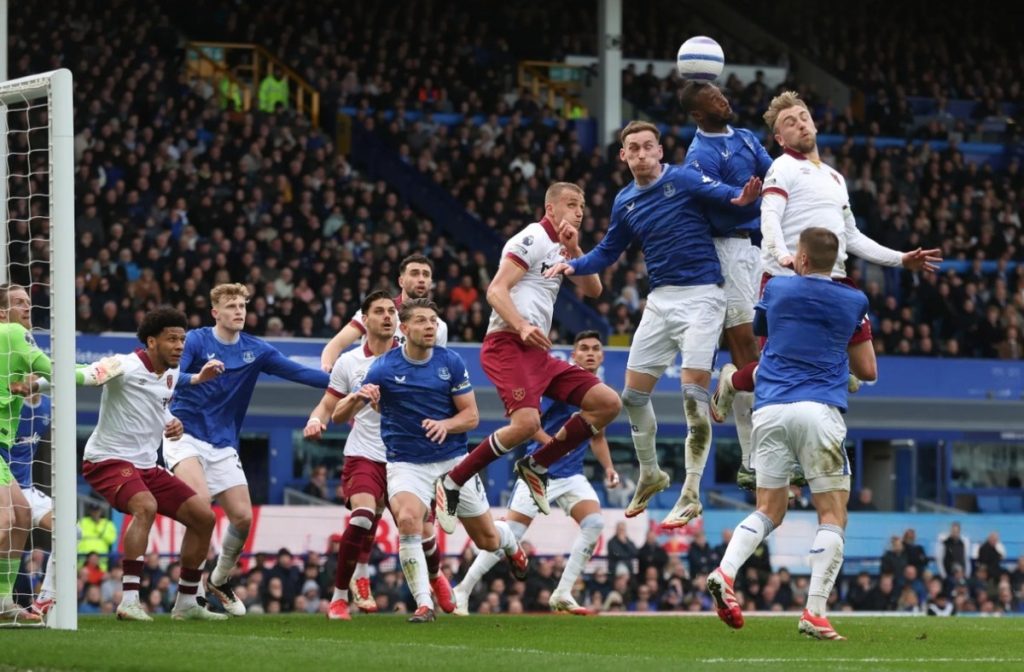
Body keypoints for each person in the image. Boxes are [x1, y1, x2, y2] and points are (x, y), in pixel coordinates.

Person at [544, 121, 761, 528]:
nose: (642, 154)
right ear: (623, 156)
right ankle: (651, 473)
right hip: (660, 303)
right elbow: (608, 251)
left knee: (693, 400)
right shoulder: (625, 201)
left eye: (648, 147)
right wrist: (571, 263)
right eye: (633, 148)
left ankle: (692, 492)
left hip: (703, 298)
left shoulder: (682, 178)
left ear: (660, 151)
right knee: (631, 398)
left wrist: (743, 197)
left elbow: (725, 197)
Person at [712, 91, 941, 435]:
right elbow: (769, 219)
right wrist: (783, 256)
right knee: (778, 372)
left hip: (835, 284)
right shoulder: (782, 167)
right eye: (790, 122)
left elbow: (852, 236)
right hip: (788, 280)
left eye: (803, 116)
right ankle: (732, 380)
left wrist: (900, 259)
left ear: (814, 123)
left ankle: (747, 378)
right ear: (779, 138)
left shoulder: (836, 178)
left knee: (866, 370)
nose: (800, 123)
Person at [705, 228, 877, 641]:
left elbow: (767, 339)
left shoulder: (777, 291)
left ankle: (724, 572)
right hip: (818, 410)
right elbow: (868, 371)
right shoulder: (855, 301)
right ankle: (814, 611)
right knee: (832, 514)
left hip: (770, 409)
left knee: (769, 509)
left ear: (800, 259)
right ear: (836, 262)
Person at [434, 183, 621, 532]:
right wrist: (520, 325)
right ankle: (452, 482)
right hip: (507, 342)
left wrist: (575, 249)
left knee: (608, 403)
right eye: (571, 204)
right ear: (550, 208)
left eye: (582, 205)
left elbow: (594, 290)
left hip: (538, 351)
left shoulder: (563, 247)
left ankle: (537, 465)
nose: (579, 211)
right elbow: (495, 290)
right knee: (527, 425)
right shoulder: (532, 237)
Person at [165, 283, 329, 616]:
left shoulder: (256, 349)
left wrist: (347, 381)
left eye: (242, 305)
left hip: (223, 443)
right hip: (185, 435)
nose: (239, 311)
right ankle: (186, 598)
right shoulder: (197, 340)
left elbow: (299, 372)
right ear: (216, 312)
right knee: (201, 512)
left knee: (242, 518)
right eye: (231, 306)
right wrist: (197, 376)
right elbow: (168, 376)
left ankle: (219, 579)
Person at [361, 299, 529, 622]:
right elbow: (355, 409)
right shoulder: (383, 368)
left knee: (487, 539)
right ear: (404, 328)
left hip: (454, 464)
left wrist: (445, 425)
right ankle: (424, 604)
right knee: (409, 520)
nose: (430, 326)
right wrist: (367, 400)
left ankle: (510, 542)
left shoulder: (450, 362)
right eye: (422, 321)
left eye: (433, 321)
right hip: (406, 463)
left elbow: (472, 416)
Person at [451, 331, 620, 616]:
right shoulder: (560, 385)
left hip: (571, 475)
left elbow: (597, 437)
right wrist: (553, 446)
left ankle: (563, 592)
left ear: (602, 356)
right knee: (511, 533)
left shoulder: (597, 392)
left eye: (595, 349)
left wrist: (609, 468)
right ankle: (462, 589)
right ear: (574, 355)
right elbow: (531, 424)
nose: (590, 353)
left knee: (593, 524)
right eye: (583, 349)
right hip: (539, 470)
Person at [80, 307, 228, 621]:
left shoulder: (171, 374)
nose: (179, 346)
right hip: (107, 459)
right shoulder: (125, 364)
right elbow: (88, 374)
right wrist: (39, 382)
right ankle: (129, 601)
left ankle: (187, 603)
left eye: (182, 340)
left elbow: (158, 404)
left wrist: (173, 422)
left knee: (204, 517)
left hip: (146, 466)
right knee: (144, 506)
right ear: (151, 341)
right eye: (171, 339)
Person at [0, 284, 122, 623]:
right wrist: (95, 373)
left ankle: (15, 601)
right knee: (9, 519)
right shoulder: (12, 333)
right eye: (18, 302)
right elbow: (56, 369)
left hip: (10, 466)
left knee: (26, 517)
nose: (27, 307)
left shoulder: (45, 404)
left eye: (28, 301)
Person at [680, 81, 773, 491]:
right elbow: (719, 199)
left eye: (723, 94)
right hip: (728, 250)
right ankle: (752, 459)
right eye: (715, 100)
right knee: (748, 348)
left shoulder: (749, 138)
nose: (725, 100)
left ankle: (730, 380)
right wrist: (743, 197)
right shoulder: (698, 154)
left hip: (761, 248)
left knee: (767, 341)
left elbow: (773, 175)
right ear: (699, 114)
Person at [320, 254, 449, 371]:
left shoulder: (439, 326)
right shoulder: (376, 310)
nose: (421, 279)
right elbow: (337, 343)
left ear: (430, 283)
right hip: (369, 387)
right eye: (415, 273)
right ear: (401, 281)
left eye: (426, 275)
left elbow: (434, 368)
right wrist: (327, 367)